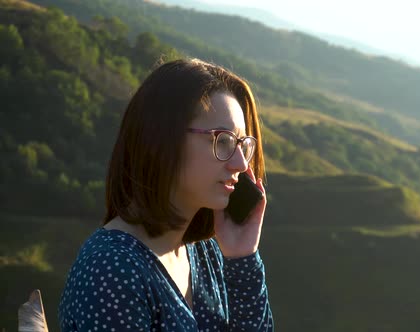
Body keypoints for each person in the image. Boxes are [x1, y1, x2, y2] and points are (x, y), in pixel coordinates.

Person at [58, 58, 274, 331]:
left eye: (242, 145)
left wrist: (243, 258)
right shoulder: (112, 270)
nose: (241, 164)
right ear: (162, 138)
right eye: (223, 141)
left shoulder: (202, 251)